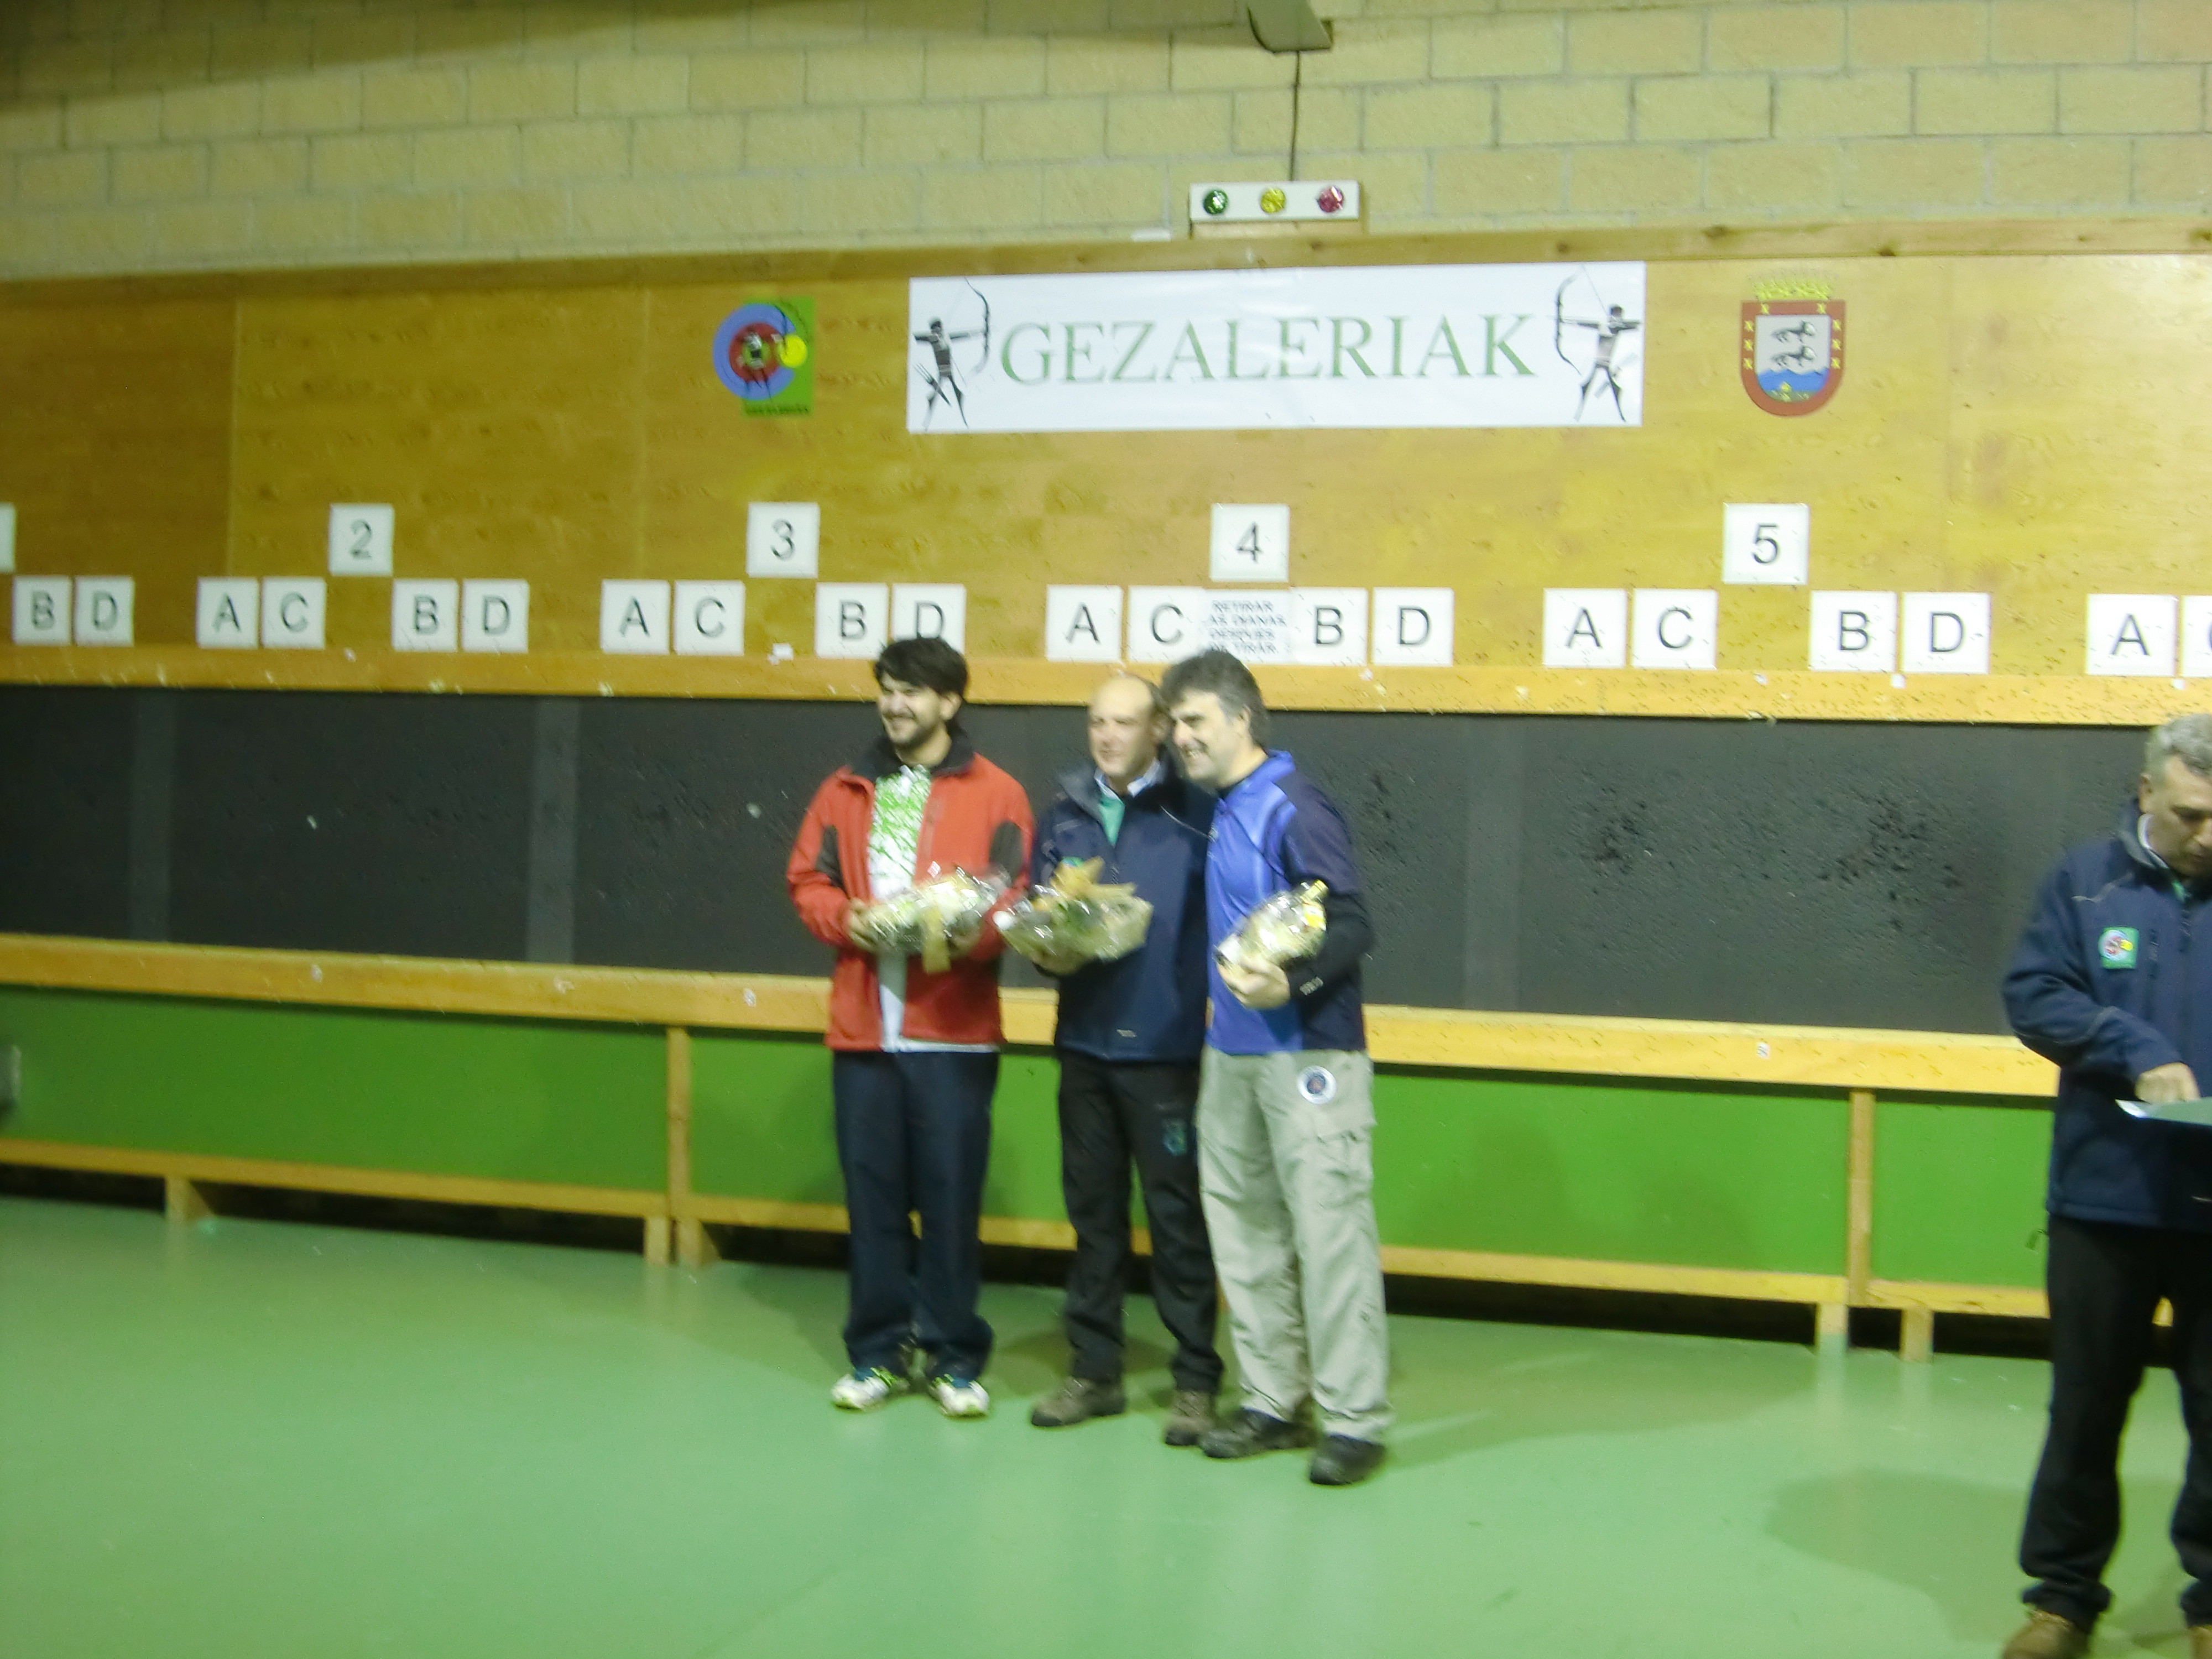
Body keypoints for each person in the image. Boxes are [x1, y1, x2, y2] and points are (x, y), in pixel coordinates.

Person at [1999, 714, 2212, 1659]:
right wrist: (2134, 1046)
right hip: (2105, 1201)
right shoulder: (2084, 882)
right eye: (2192, 815)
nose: (2209, 836)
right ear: (2147, 793)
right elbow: (2036, 993)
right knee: (2085, 1409)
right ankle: (2063, 1601)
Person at [1159, 648, 1391, 1487]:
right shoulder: (1224, 805)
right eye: (1173, 723)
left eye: (1194, 721)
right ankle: (1272, 1401)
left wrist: (1291, 984)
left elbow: (1354, 924)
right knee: (1244, 1231)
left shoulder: (1295, 803)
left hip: (1310, 1057)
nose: (1179, 737)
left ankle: (1355, 1421)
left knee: (1329, 1237)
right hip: (1231, 1058)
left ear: (1241, 719)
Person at [785, 637, 1033, 1420]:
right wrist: (847, 919)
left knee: (952, 1203)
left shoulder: (999, 794)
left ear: (950, 703)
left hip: (954, 1035)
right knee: (874, 1204)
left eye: (913, 692)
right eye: (887, 689)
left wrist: (965, 931)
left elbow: (1015, 894)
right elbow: (808, 880)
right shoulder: (845, 787)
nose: (895, 705)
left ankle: (955, 1359)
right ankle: (877, 1355)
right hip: (865, 1032)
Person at [1024, 675, 1223, 1445]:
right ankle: (1094, 1372)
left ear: (1158, 731)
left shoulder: (1196, 812)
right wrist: (1047, 950)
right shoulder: (1064, 814)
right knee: (1093, 1217)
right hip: (1083, 1047)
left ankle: (1195, 1381)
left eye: (1125, 723)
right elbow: (1043, 916)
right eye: (1097, 723)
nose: (1108, 736)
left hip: (1166, 1053)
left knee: (1176, 1221)